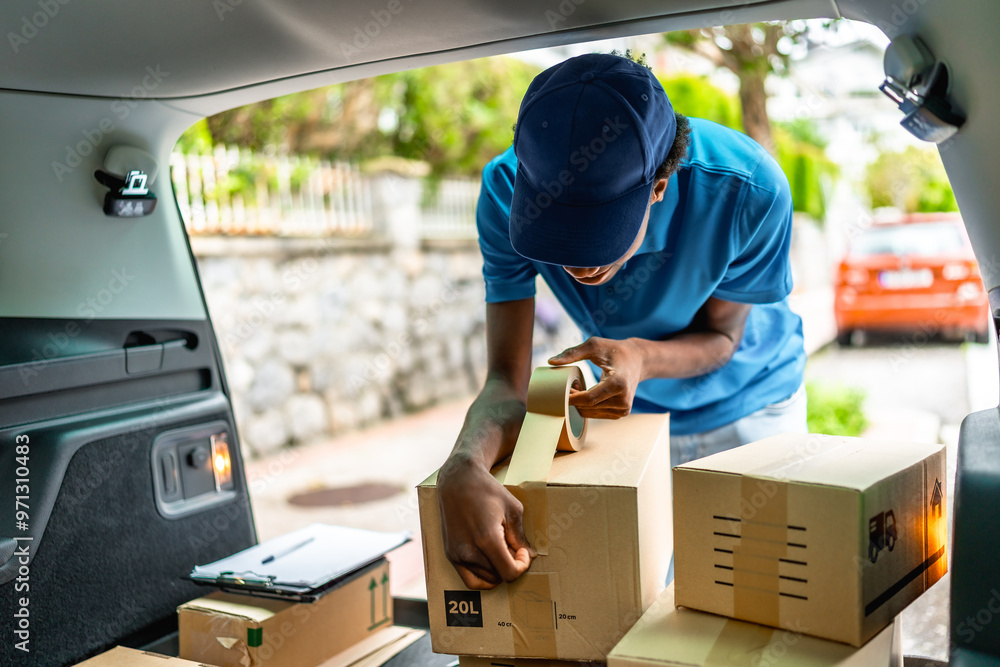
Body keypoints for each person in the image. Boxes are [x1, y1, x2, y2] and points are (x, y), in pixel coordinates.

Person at [436, 52, 807, 590]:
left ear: (659, 187)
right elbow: (505, 384)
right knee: (636, 602)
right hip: (633, 417)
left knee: (753, 594)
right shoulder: (502, 192)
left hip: (749, 402)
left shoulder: (748, 190)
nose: (576, 262)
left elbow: (725, 338)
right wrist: (463, 462)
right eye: (556, 234)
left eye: (598, 235)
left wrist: (642, 356)